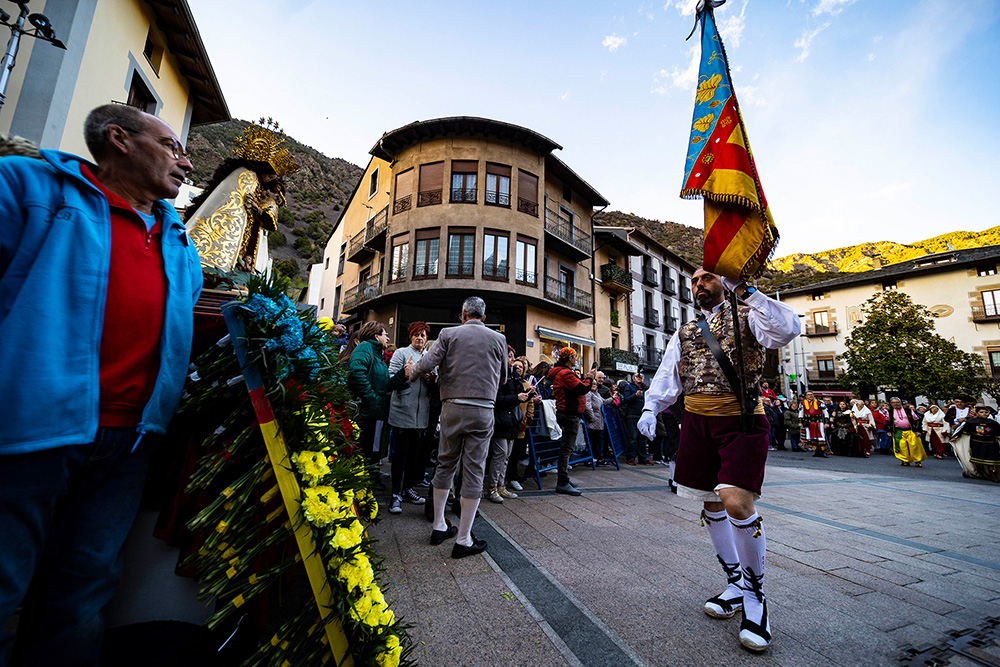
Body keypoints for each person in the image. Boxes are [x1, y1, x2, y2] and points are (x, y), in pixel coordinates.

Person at [0, 104, 203, 665]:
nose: (185, 163)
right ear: (120, 139)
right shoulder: (31, 187)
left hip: (130, 440)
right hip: (32, 433)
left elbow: (181, 315)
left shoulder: (179, 240)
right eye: (172, 147)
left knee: (83, 589)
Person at [639, 268, 800, 651]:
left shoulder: (751, 315)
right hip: (696, 421)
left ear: (724, 282)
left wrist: (747, 291)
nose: (699, 285)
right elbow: (669, 375)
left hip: (741, 418)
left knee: (735, 500)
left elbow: (787, 329)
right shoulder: (686, 330)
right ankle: (735, 582)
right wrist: (651, 407)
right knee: (710, 502)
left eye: (707, 278)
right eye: (694, 281)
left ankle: (755, 598)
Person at [407, 296, 507, 558]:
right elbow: (505, 377)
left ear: (463, 314)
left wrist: (411, 373)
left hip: (452, 407)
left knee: (445, 463)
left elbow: (427, 363)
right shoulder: (498, 339)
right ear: (483, 317)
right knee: (474, 470)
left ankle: (439, 526)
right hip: (484, 409)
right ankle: (463, 539)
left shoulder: (448, 334)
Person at [386, 322, 434, 514]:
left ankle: (408, 489)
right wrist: (405, 374)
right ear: (410, 337)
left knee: (414, 457)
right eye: (416, 335)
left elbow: (434, 388)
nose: (419, 338)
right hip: (402, 413)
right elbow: (390, 381)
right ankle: (395, 494)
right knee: (400, 456)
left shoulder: (429, 357)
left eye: (423, 335)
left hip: (422, 416)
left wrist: (432, 379)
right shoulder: (401, 354)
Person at [347, 321, 409, 467]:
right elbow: (356, 373)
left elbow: (385, 384)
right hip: (366, 413)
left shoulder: (377, 354)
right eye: (385, 334)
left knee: (374, 449)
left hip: (376, 414)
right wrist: (372, 399)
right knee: (365, 449)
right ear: (376, 336)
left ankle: (372, 479)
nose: (388, 338)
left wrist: (403, 374)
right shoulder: (365, 348)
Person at [485, 351, 533, 503]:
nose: (512, 359)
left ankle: (500, 485)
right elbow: (495, 398)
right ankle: (492, 488)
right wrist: (517, 397)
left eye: (513, 356)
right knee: (500, 455)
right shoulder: (496, 373)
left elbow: (518, 395)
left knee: (506, 456)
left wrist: (528, 394)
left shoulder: (514, 375)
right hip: (501, 420)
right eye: (509, 356)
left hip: (512, 420)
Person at [547, 348, 596, 496]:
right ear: (569, 358)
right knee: (566, 448)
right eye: (575, 357)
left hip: (568, 414)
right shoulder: (566, 373)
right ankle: (562, 482)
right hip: (569, 414)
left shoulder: (563, 373)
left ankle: (564, 479)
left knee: (566, 448)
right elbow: (582, 389)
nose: (576, 360)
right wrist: (588, 378)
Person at [951, 405, 1000, 482]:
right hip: (976, 444)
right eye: (981, 412)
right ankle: (981, 473)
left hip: (990, 444)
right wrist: (955, 437)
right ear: (977, 413)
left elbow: (998, 433)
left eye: (986, 412)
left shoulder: (993, 423)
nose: (984, 414)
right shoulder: (971, 422)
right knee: (978, 460)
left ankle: (992, 474)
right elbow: (964, 431)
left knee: (992, 460)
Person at [585, 371, 617, 465]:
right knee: (593, 440)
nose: (594, 385)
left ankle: (598, 458)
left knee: (599, 440)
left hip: (599, 421)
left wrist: (613, 398)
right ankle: (593, 458)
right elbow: (587, 406)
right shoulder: (588, 394)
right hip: (592, 421)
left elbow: (604, 402)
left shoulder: (597, 394)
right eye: (592, 383)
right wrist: (591, 417)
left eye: (595, 384)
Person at [620, 371, 652, 465]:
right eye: (637, 376)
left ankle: (643, 458)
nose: (639, 378)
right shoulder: (629, 387)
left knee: (643, 438)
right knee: (633, 437)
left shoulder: (645, 388)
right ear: (634, 379)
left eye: (641, 376)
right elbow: (626, 400)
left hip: (643, 415)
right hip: (632, 415)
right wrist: (635, 395)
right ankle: (631, 457)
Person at [888, 397, 925, 467]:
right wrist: (889, 430)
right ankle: (905, 460)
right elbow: (888, 422)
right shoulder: (889, 412)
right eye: (893, 402)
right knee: (901, 446)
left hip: (911, 430)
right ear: (891, 404)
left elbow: (916, 420)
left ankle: (917, 460)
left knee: (915, 445)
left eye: (897, 402)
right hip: (898, 431)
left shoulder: (908, 411)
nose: (896, 404)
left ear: (901, 403)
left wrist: (918, 430)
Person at [800, 391, 827, 457]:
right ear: (806, 396)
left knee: (821, 436)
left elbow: (825, 412)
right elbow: (801, 412)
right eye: (808, 395)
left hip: (818, 421)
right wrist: (800, 421)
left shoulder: (820, 402)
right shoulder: (803, 403)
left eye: (811, 394)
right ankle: (816, 451)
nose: (810, 396)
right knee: (812, 437)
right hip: (808, 421)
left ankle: (822, 451)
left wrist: (826, 422)